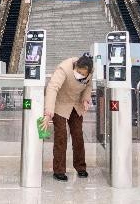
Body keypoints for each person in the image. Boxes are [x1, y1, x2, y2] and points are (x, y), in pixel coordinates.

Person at [42, 53, 93, 182]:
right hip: (60, 103)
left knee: (78, 135)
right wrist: (48, 113)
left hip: (76, 104)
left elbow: (88, 86)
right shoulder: (63, 69)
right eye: (79, 72)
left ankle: (80, 167)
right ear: (75, 66)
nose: (80, 75)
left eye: (83, 74)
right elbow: (52, 88)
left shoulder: (90, 72)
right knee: (61, 136)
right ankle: (59, 170)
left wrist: (85, 99)